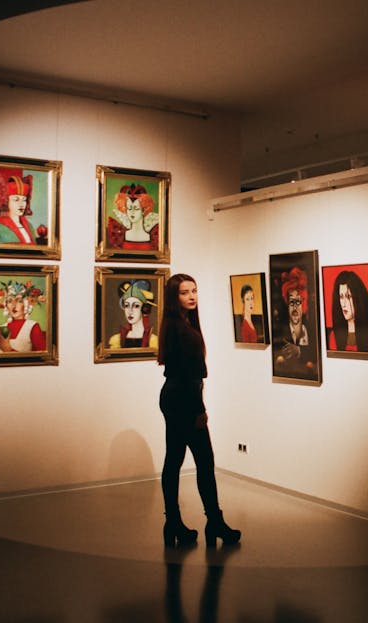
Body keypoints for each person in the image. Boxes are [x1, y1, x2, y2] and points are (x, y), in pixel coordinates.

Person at [158, 273, 240, 548]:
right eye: (184, 292)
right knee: (204, 461)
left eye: (194, 290)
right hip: (184, 400)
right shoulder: (183, 331)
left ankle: (174, 523)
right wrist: (199, 410)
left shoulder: (175, 325)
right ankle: (214, 522)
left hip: (173, 397)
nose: (192, 296)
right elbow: (190, 377)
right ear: (174, 297)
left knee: (174, 460)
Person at [0, 280, 46, 352]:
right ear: (6, 306)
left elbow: (43, 355)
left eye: (19, 301)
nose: (14, 305)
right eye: (9, 301)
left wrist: (7, 349)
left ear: (26, 304)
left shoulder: (32, 326)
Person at [327, 270, 368, 352]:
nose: (343, 304)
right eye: (341, 297)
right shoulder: (334, 336)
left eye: (348, 296)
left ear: (358, 298)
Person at [0, 174, 37, 244]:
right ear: (6, 202)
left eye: (24, 200)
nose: (21, 204)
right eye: (16, 200)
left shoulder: (30, 227)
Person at [107, 183, 159, 250]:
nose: (132, 212)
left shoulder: (154, 237)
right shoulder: (120, 235)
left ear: (143, 210)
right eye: (129, 208)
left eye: (136, 209)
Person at [108, 279, 157, 349]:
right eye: (126, 305)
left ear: (144, 308)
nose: (130, 311)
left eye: (136, 306)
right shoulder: (117, 339)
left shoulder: (153, 340)